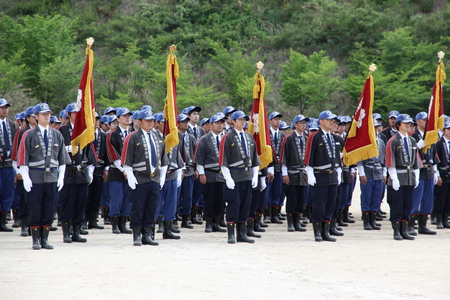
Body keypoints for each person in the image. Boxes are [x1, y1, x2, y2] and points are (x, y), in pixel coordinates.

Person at [18, 103, 70, 249]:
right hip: (35, 176)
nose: (47, 116)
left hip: (52, 176)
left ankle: (45, 238)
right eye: (43, 114)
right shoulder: (29, 134)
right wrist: (26, 177)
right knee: (35, 208)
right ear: (36, 117)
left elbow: (62, 158)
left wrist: (61, 177)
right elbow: (23, 157)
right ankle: (35, 239)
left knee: (49, 208)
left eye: (48, 114)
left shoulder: (57, 134)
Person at [121, 110, 168, 246]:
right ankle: (136, 235)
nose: (150, 123)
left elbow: (163, 159)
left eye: (152, 120)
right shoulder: (133, 137)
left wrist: (162, 175)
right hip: (139, 178)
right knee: (138, 208)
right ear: (139, 122)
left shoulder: (158, 137)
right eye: (147, 120)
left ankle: (147, 234)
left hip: (154, 178)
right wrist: (129, 175)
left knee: (151, 208)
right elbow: (127, 158)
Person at [219, 110, 260, 244]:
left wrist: (255, 176)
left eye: (245, 119)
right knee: (233, 204)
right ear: (233, 121)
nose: (243, 121)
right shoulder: (228, 137)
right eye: (240, 119)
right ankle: (231, 234)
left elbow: (255, 158)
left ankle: (242, 233)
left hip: (247, 176)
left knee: (246, 205)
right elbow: (223, 159)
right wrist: (228, 178)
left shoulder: (249, 137)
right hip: (234, 176)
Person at [58, 103, 96, 243]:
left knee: (81, 202)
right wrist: (66, 148)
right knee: (68, 203)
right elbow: (57, 149)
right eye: (74, 113)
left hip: (81, 172)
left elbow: (89, 152)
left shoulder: (84, 131)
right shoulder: (62, 130)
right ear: (68, 115)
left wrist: (90, 169)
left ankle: (77, 231)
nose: (78, 115)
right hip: (68, 172)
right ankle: (66, 232)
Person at [304, 110, 342, 242]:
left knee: (330, 205)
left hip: (332, 175)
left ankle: (326, 230)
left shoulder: (334, 137)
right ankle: (318, 232)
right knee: (319, 205)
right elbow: (309, 155)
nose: (332, 122)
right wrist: (310, 173)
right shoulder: (314, 136)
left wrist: (338, 172)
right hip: (319, 175)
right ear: (321, 121)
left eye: (333, 120)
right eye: (329, 120)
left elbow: (337, 157)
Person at [385, 114, 421, 240]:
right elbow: (391, 160)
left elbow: (416, 159)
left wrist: (416, 175)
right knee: (397, 205)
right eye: (405, 123)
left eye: (409, 123)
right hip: (398, 176)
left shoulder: (411, 140)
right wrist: (393, 178)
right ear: (398, 124)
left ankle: (404, 230)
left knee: (407, 204)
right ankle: (396, 230)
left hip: (409, 177)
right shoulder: (393, 140)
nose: (408, 125)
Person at [193, 112, 227, 233]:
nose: (220, 125)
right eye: (217, 123)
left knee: (220, 200)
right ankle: (208, 223)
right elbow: (200, 158)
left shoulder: (226, 138)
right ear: (211, 125)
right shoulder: (204, 139)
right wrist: (202, 173)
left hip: (223, 174)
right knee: (209, 199)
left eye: (222, 123)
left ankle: (217, 223)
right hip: (209, 173)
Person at [154, 113, 183, 239]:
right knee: (156, 204)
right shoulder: (153, 137)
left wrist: (180, 170)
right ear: (157, 124)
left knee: (171, 204)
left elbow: (178, 155)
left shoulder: (174, 137)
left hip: (171, 175)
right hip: (157, 175)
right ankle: (152, 229)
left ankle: (168, 229)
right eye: (165, 123)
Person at [409, 112, 437, 235]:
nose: (426, 123)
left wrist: (436, 172)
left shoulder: (431, 136)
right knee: (415, 199)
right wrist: (417, 146)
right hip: (418, 171)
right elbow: (409, 153)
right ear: (418, 121)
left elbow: (434, 154)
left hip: (429, 171)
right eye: (424, 120)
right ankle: (410, 225)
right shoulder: (413, 136)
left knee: (427, 200)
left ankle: (423, 225)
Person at [106, 108, 133, 234]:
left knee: (127, 199)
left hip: (131, 171)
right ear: (118, 119)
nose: (127, 118)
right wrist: (124, 170)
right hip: (117, 172)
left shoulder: (133, 133)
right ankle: (115, 224)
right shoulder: (113, 134)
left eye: (129, 116)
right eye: (124, 116)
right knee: (116, 198)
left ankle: (123, 223)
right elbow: (113, 154)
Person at [280, 114, 309, 232]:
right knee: (292, 198)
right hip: (292, 172)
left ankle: (297, 222)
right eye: (301, 123)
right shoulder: (289, 138)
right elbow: (284, 157)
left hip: (303, 172)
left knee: (301, 199)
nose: (303, 125)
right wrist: (284, 173)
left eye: (304, 123)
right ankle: (290, 223)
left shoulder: (307, 138)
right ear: (295, 125)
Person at [11, 106, 37, 236]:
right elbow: (16, 153)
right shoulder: (21, 132)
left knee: (36, 199)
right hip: (24, 169)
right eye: (33, 116)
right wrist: (17, 171)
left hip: (37, 170)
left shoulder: (40, 131)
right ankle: (24, 225)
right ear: (28, 118)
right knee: (24, 199)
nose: (36, 118)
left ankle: (34, 225)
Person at [357, 118, 386, 230]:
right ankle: (366, 221)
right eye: (372, 127)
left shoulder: (381, 141)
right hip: (367, 171)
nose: (375, 129)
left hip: (378, 172)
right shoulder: (363, 142)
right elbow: (359, 160)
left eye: (376, 127)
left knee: (376, 197)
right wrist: (362, 174)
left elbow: (383, 158)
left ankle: (373, 220)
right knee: (366, 197)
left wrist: (384, 173)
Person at [85, 112, 109, 230]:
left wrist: (106, 168)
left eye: (97, 120)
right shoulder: (86, 135)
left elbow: (106, 153)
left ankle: (93, 220)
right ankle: (84, 220)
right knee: (86, 196)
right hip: (87, 168)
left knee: (96, 196)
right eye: (93, 119)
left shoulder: (102, 135)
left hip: (99, 168)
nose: (96, 122)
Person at [183, 105, 206, 224]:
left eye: (197, 114)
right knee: (186, 192)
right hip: (187, 164)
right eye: (194, 114)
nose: (196, 116)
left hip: (198, 164)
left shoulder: (201, 130)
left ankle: (194, 215)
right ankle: (183, 215)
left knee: (197, 191)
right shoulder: (185, 129)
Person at [177, 113, 198, 229]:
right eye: (183, 122)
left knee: (188, 195)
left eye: (186, 121)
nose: (185, 124)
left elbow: (195, 154)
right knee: (176, 195)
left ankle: (186, 218)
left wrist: (196, 169)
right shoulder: (175, 136)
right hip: (178, 169)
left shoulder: (191, 137)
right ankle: (173, 219)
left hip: (189, 169)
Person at [0, 98, 18, 232]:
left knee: (8, 193)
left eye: (6, 107)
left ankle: (2, 220)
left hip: (8, 164)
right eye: (2, 107)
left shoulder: (11, 125)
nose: (5, 109)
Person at [266, 111, 285, 224]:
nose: (278, 121)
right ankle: (267, 214)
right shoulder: (266, 134)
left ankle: (275, 214)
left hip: (279, 166)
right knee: (268, 191)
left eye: (279, 119)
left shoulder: (283, 135)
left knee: (277, 191)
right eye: (276, 119)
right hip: (269, 166)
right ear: (270, 121)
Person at [433, 120, 450, 229]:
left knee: (449, 198)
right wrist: (437, 174)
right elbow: (435, 160)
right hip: (442, 173)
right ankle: (439, 219)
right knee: (440, 197)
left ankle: (445, 219)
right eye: (448, 129)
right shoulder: (438, 143)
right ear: (443, 130)